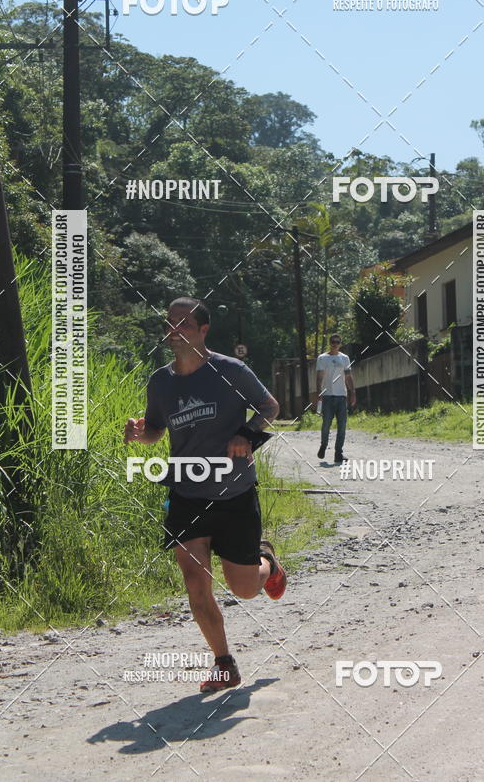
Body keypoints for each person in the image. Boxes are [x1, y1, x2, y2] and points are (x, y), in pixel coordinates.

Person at [124, 296, 286, 694]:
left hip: (234, 492)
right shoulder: (161, 380)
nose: (174, 330)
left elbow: (270, 406)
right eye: (170, 324)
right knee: (196, 582)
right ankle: (224, 663)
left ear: (202, 330)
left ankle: (267, 562)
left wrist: (247, 435)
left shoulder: (231, 370)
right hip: (186, 492)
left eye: (183, 324)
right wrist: (138, 433)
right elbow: (156, 431)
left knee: (245, 589)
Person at [316, 333, 356, 463]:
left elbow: (348, 376)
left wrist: (353, 392)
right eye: (333, 341)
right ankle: (323, 445)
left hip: (341, 396)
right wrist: (319, 392)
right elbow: (319, 377)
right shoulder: (322, 358)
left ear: (340, 344)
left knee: (342, 426)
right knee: (326, 424)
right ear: (330, 343)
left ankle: (338, 453)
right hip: (327, 396)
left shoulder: (344, 358)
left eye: (337, 342)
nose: (335, 344)